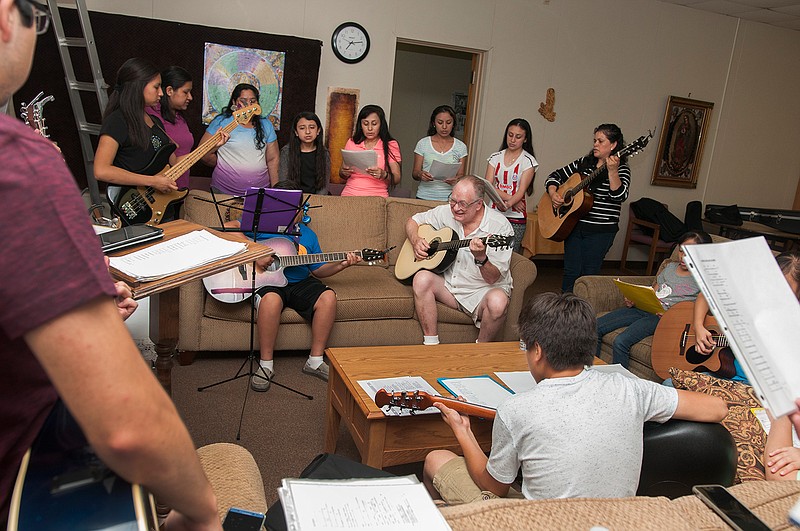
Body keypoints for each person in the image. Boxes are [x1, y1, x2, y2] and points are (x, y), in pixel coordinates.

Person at [0, 1, 220, 527]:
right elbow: (127, 425)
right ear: (8, 15)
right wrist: (201, 510)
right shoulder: (23, 167)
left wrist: (80, 306)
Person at [422, 292, 728, 504]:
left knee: (436, 459)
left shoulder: (515, 410)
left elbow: (494, 486)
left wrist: (463, 432)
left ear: (538, 350)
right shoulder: (632, 390)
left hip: (541, 521)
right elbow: (717, 408)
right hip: (613, 520)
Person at [223, 181, 362, 391]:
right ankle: (266, 365)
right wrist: (256, 253)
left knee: (328, 297)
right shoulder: (258, 226)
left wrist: (342, 264)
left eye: (294, 208)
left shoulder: (307, 235)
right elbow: (227, 228)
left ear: (300, 209)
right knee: (271, 300)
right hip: (268, 282)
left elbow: (318, 270)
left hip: (300, 281)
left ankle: (315, 361)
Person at [405, 175, 513, 344]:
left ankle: (480, 351)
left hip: (481, 290)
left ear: (478, 204)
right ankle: (431, 344)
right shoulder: (446, 212)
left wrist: (481, 258)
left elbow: (493, 278)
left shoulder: (499, 227)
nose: (455, 208)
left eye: (462, 203)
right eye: (452, 201)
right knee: (421, 278)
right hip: (450, 287)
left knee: (498, 301)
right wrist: (416, 240)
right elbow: (413, 221)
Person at [596, 231, 712, 369]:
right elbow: (654, 292)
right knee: (593, 327)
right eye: (681, 251)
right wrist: (636, 299)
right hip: (646, 309)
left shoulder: (705, 278)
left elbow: (699, 308)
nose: (683, 257)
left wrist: (671, 316)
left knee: (621, 341)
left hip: (662, 318)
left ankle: (622, 384)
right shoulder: (670, 268)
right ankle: (590, 370)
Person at [544, 123, 630, 292]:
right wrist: (554, 193)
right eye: (594, 140)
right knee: (571, 272)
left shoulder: (622, 170)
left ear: (613, 145)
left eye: (600, 141)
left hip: (601, 231)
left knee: (589, 275)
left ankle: (582, 315)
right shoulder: (583, 163)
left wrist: (612, 172)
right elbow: (554, 176)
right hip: (574, 226)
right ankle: (564, 311)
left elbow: (619, 196)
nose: (595, 144)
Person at [693, 249, 800, 384]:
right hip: (723, 372)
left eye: (784, 288)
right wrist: (698, 328)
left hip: (754, 385)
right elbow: (705, 295)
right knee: (669, 383)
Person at [200, 83, 279, 195]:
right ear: (234, 102)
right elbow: (203, 153)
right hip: (223, 191)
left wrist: (275, 190)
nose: (248, 105)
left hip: (259, 192)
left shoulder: (266, 125)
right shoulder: (221, 122)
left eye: (252, 101)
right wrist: (223, 164)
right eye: (243, 100)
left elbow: (273, 159)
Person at [484, 118, 537, 253]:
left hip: (516, 216)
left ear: (525, 139)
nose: (513, 140)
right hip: (494, 211)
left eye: (518, 137)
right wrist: (510, 200)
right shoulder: (495, 157)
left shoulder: (528, 161)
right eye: (510, 135)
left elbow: (521, 191)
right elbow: (488, 185)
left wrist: (508, 205)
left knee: (511, 254)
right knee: (489, 251)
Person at [339, 104, 401, 197]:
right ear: (361, 125)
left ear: (381, 124)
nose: (370, 128)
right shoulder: (352, 142)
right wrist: (343, 172)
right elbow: (342, 172)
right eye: (365, 124)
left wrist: (384, 174)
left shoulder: (390, 144)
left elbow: (397, 178)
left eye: (374, 124)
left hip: (377, 195)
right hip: (350, 193)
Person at [149, 65, 195, 189]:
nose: (190, 97)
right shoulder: (151, 116)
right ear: (169, 91)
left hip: (180, 188)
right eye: (185, 92)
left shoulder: (180, 117)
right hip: (158, 192)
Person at [412, 105, 467, 201]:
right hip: (425, 196)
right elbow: (415, 173)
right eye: (440, 122)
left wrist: (456, 180)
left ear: (453, 124)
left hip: (449, 197)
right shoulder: (423, 143)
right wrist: (421, 175)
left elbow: (461, 175)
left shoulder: (461, 146)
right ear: (434, 123)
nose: (444, 127)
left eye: (449, 122)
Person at [278, 111, 330, 194]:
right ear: (296, 132)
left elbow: (324, 185)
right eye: (302, 128)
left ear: (318, 130)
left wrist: (318, 200)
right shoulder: (286, 152)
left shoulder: (324, 153)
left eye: (312, 127)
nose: (308, 132)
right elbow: (284, 183)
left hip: (318, 198)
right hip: (293, 198)